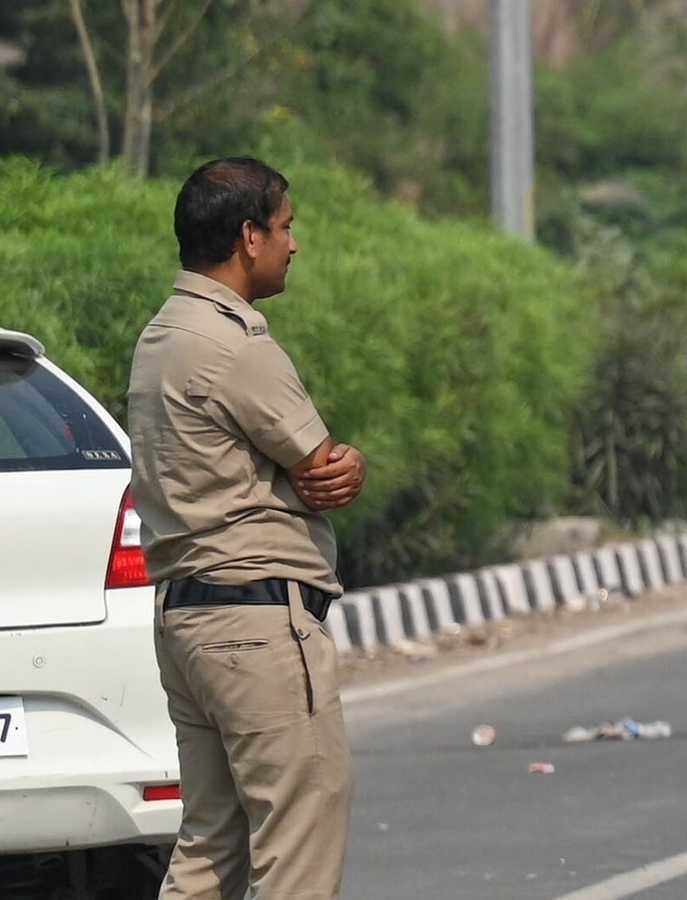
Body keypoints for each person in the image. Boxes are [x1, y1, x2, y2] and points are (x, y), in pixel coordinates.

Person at [127, 157, 366, 900]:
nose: (294, 244)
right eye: (286, 226)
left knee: (209, 850)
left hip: (189, 622)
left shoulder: (162, 335)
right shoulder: (234, 345)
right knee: (298, 837)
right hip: (256, 623)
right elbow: (320, 467)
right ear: (247, 235)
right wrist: (346, 464)